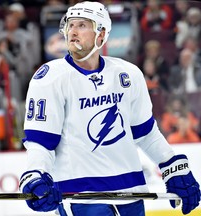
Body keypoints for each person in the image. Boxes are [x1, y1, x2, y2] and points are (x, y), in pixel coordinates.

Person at [18, 2, 200, 216]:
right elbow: (41, 142)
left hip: (131, 191)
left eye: (82, 25)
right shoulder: (50, 77)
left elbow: (146, 133)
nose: (73, 32)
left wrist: (172, 166)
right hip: (80, 196)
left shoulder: (128, 73)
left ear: (101, 33)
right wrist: (35, 174)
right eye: (70, 25)